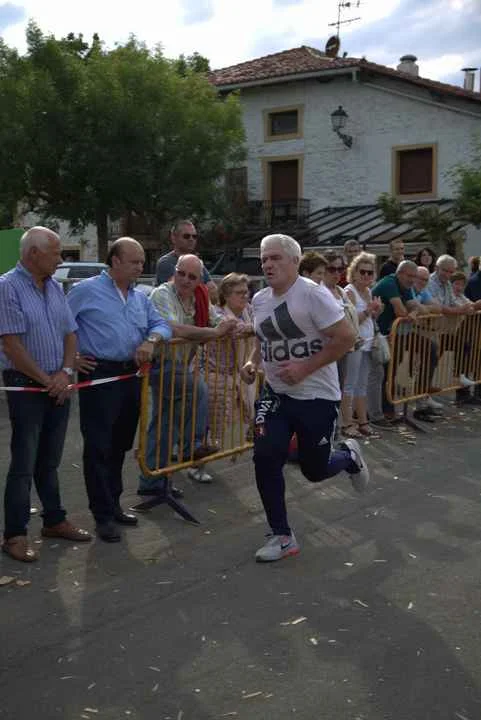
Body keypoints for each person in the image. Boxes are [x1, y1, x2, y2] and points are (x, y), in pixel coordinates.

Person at [240, 234, 369, 563]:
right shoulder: (260, 299)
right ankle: (282, 535)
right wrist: (253, 363)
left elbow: (346, 337)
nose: (268, 264)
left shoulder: (313, 295)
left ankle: (348, 457)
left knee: (314, 470)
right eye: (264, 259)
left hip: (317, 397)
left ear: (295, 261)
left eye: (276, 258)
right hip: (276, 394)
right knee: (265, 456)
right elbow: (264, 337)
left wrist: (304, 368)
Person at [67, 237, 173, 542]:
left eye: (142, 262)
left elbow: (162, 325)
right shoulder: (85, 291)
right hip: (100, 376)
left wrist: (151, 340)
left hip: (131, 377)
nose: (140, 267)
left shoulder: (140, 297)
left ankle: (113, 505)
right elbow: (60, 324)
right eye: (134, 261)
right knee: (98, 447)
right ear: (115, 261)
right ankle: (101, 516)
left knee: (120, 445)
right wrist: (70, 358)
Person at [0, 227, 91, 563]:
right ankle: (14, 534)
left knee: (49, 459)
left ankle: (54, 519)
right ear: (33, 254)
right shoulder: (7, 287)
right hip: (26, 384)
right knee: (24, 462)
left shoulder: (53, 286)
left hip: (57, 382)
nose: (60, 259)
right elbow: (11, 345)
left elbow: (70, 334)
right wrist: (47, 380)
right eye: (55, 253)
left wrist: (64, 373)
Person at [138, 254, 236, 492]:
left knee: (164, 424)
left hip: (180, 364)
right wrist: (214, 333)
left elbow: (217, 319)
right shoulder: (162, 293)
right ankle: (191, 447)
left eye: (192, 277)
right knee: (197, 389)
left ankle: (153, 481)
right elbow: (173, 328)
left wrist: (233, 325)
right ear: (174, 271)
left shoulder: (200, 296)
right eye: (180, 273)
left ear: (199, 280)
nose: (185, 280)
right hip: (160, 363)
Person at [207, 273, 255, 446]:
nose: (245, 296)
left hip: (243, 372)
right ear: (226, 295)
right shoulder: (217, 313)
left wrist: (252, 328)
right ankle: (208, 452)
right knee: (217, 422)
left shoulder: (249, 310)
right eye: (239, 292)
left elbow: (261, 324)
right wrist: (253, 328)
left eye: (246, 292)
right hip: (219, 373)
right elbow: (235, 329)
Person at [372, 260, 420, 419]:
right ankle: (380, 412)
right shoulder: (389, 283)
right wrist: (410, 314)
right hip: (377, 335)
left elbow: (414, 306)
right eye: (409, 276)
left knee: (390, 373)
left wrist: (413, 313)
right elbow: (401, 312)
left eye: (414, 276)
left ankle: (388, 410)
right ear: (399, 273)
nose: (412, 280)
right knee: (382, 374)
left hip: (392, 335)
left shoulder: (406, 286)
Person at [342, 252, 383, 438]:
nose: (366, 276)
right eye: (362, 272)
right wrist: (368, 311)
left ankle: (363, 422)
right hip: (354, 344)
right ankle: (347, 423)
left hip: (367, 343)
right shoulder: (349, 292)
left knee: (362, 384)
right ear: (354, 272)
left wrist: (376, 312)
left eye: (370, 272)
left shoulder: (368, 291)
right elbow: (350, 322)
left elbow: (369, 319)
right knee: (349, 384)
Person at [155, 219, 217, 295]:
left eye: (194, 236)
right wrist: (202, 288)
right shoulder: (165, 263)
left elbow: (213, 290)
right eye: (186, 236)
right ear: (174, 238)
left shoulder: (196, 262)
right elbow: (182, 291)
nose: (191, 239)